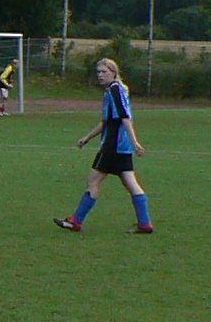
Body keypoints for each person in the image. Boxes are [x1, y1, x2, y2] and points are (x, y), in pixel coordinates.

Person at [57, 57, 153, 233]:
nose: (100, 75)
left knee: (93, 180)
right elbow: (107, 122)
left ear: (114, 73)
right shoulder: (115, 90)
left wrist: (135, 141)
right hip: (121, 146)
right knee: (130, 182)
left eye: (104, 72)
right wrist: (88, 137)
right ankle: (145, 223)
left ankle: (76, 221)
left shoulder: (115, 90)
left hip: (113, 146)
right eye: (98, 72)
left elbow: (125, 117)